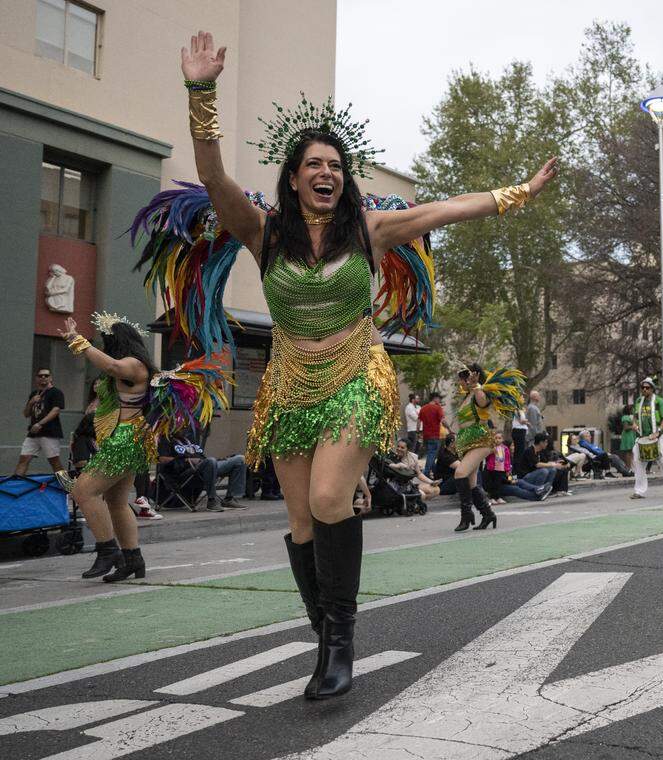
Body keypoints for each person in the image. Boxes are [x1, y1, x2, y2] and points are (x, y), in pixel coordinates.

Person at [166, 30, 557, 700]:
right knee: (298, 522)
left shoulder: (369, 231)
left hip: (354, 375)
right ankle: (326, 639)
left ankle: (341, 642)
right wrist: (201, 92)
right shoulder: (262, 232)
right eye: (314, 165)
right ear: (293, 177)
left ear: (343, 181)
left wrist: (516, 192)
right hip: (289, 387)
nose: (326, 174)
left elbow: (443, 210)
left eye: (336, 167)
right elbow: (211, 177)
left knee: (327, 501)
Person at [59, 314, 158, 583]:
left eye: (107, 342)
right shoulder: (131, 364)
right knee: (115, 502)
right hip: (123, 439)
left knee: (83, 491)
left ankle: (108, 550)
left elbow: (113, 366)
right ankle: (133, 559)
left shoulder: (135, 365)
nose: (105, 347)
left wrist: (78, 341)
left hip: (124, 440)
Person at [452, 363, 526, 531]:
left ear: (471, 377)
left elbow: (483, 403)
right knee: (471, 483)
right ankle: (488, 514)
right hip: (466, 442)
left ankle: (467, 515)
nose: (460, 382)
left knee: (460, 473)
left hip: (481, 440)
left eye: (462, 379)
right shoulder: (466, 396)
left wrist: (476, 386)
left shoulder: (479, 393)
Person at [157, 429, 248, 512]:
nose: (184, 428)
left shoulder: (188, 439)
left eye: (185, 425)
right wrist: (186, 460)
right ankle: (211, 500)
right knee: (210, 461)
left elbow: (202, 456)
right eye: (180, 425)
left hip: (205, 465)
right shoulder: (166, 440)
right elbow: (162, 459)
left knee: (240, 459)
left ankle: (229, 499)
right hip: (187, 471)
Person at [630, 377, 663, 499]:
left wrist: (658, 432)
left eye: (647, 388)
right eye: (643, 387)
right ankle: (639, 491)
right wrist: (634, 424)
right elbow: (635, 416)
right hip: (643, 437)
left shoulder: (659, 401)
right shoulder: (638, 401)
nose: (644, 390)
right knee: (637, 461)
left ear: (652, 389)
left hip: (659, 436)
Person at [15, 368, 65, 476]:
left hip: (49, 432)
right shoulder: (34, 394)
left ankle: (67, 487)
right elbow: (26, 414)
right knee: (23, 459)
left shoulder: (56, 392)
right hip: (33, 433)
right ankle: (15, 488)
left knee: (54, 462)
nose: (43, 378)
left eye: (46, 376)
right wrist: (31, 402)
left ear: (50, 378)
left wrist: (40, 423)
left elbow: (56, 410)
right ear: (36, 378)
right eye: (40, 376)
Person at [483, 431, 552, 503]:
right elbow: (496, 476)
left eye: (514, 445)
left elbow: (510, 474)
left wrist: (512, 479)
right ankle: (536, 497)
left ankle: (538, 489)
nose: (513, 448)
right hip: (497, 485)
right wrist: (510, 480)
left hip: (506, 481)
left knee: (519, 481)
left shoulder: (509, 459)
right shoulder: (492, 458)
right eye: (512, 446)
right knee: (515, 489)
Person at [418, 391, 445, 477]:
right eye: (439, 399)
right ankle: (426, 473)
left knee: (431, 455)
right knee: (431, 454)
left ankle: (435, 473)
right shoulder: (437, 408)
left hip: (426, 436)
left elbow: (418, 421)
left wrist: (418, 432)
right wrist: (449, 429)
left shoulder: (423, 408)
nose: (439, 400)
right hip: (434, 435)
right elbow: (443, 420)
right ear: (435, 398)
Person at [619, 406, 636, 470]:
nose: (632, 411)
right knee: (628, 452)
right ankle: (628, 467)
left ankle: (631, 467)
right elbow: (625, 427)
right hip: (627, 436)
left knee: (631, 451)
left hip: (631, 435)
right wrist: (632, 427)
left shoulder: (629, 417)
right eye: (631, 410)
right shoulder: (625, 417)